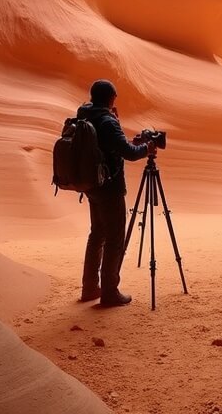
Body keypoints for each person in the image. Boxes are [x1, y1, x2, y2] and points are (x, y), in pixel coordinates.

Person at [77, 79, 150, 307]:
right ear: (111, 98)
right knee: (115, 238)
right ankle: (110, 292)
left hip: (91, 185)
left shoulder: (84, 115)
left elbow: (110, 146)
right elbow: (128, 153)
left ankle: (90, 288)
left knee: (97, 234)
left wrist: (130, 141)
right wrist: (147, 148)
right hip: (110, 187)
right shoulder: (108, 121)